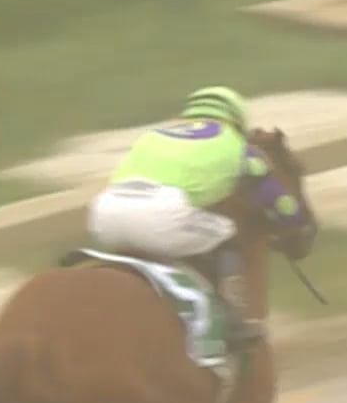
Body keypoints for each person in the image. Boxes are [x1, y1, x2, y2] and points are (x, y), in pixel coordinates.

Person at [86, 86, 308, 352]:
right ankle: (234, 319)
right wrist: (293, 222)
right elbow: (283, 204)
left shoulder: (154, 137)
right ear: (236, 118)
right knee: (227, 233)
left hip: (105, 214)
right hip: (159, 217)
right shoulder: (240, 148)